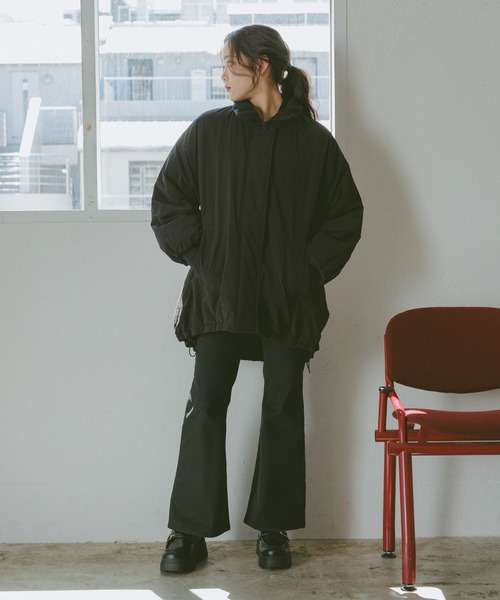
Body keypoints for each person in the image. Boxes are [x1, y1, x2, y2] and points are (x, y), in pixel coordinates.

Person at [151, 24, 363, 573]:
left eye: (230, 64)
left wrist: (305, 271)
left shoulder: (314, 143)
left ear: (261, 65)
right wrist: (205, 257)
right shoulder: (209, 131)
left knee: (282, 407)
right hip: (220, 297)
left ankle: (274, 528)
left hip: (287, 301)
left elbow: (345, 215)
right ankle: (188, 531)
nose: (222, 76)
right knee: (205, 405)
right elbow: (169, 200)